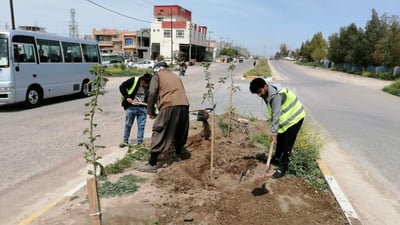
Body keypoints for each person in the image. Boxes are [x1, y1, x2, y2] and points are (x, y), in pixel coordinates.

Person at [136, 61, 190, 173]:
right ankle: (178, 155)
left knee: (158, 130)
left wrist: (151, 111)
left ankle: (152, 163)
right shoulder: (175, 76)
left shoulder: (157, 76)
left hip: (169, 105)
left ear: (157, 69)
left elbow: (152, 93)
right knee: (180, 130)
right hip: (184, 105)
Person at [249, 78, 305, 179]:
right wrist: (275, 133)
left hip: (295, 118)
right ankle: (277, 159)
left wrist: (274, 133)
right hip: (286, 120)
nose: (259, 95)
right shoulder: (266, 94)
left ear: (265, 86)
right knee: (280, 140)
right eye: (257, 93)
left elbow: (276, 114)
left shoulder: (275, 96)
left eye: (259, 91)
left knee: (287, 145)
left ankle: (281, 170)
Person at [119, 73, 152, 148]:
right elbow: (122, 87)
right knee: (128, 124)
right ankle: (125, 141)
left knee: (141, 126)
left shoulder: (150, 85)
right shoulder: (134, 80)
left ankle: (139, 143)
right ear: (142, 81)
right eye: (146, 84)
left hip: (143, 107)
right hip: (131, 107)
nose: (147, 86)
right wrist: (127, 97)